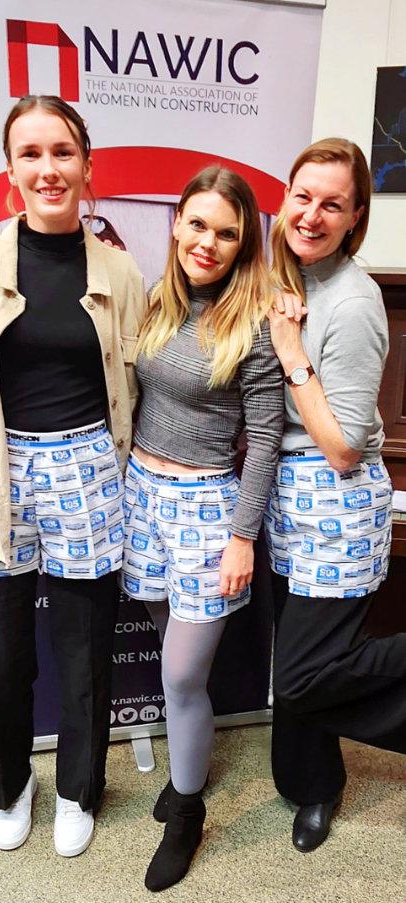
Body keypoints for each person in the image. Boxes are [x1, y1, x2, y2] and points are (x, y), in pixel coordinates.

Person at [0, 94, 146, 856]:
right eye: (30, 153)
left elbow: (139, 389)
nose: (48, 168)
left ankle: (77, 789)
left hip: (87, 469)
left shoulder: (120, 270)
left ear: (87, 166)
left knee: (84, 649)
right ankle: (10, 786)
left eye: (62, 151)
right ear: (9, 169)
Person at [120, 165, 284, 891]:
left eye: (226, 232)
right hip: (141, 497)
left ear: (244, 242)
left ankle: (186, 812)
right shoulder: (159, 300)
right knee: (169, 654)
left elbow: (266, 438)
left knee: (183, 674)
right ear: (177, 223)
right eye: (197, 224)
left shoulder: (253, 322)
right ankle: (187, 768)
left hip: (206, 511)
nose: (207, 243)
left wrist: (243, 535)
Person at [266, 137, 406, 853]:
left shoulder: (353, 300)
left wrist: (293, 355)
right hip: (285, 500)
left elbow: (344, 445)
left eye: (332, 204)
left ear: (355, 218)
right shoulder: (284, 276)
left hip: (335, 498)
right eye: (303, 196)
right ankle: (312, 783)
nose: (311, 215)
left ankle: (315, 782)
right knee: (298, 657)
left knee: (300, 674)